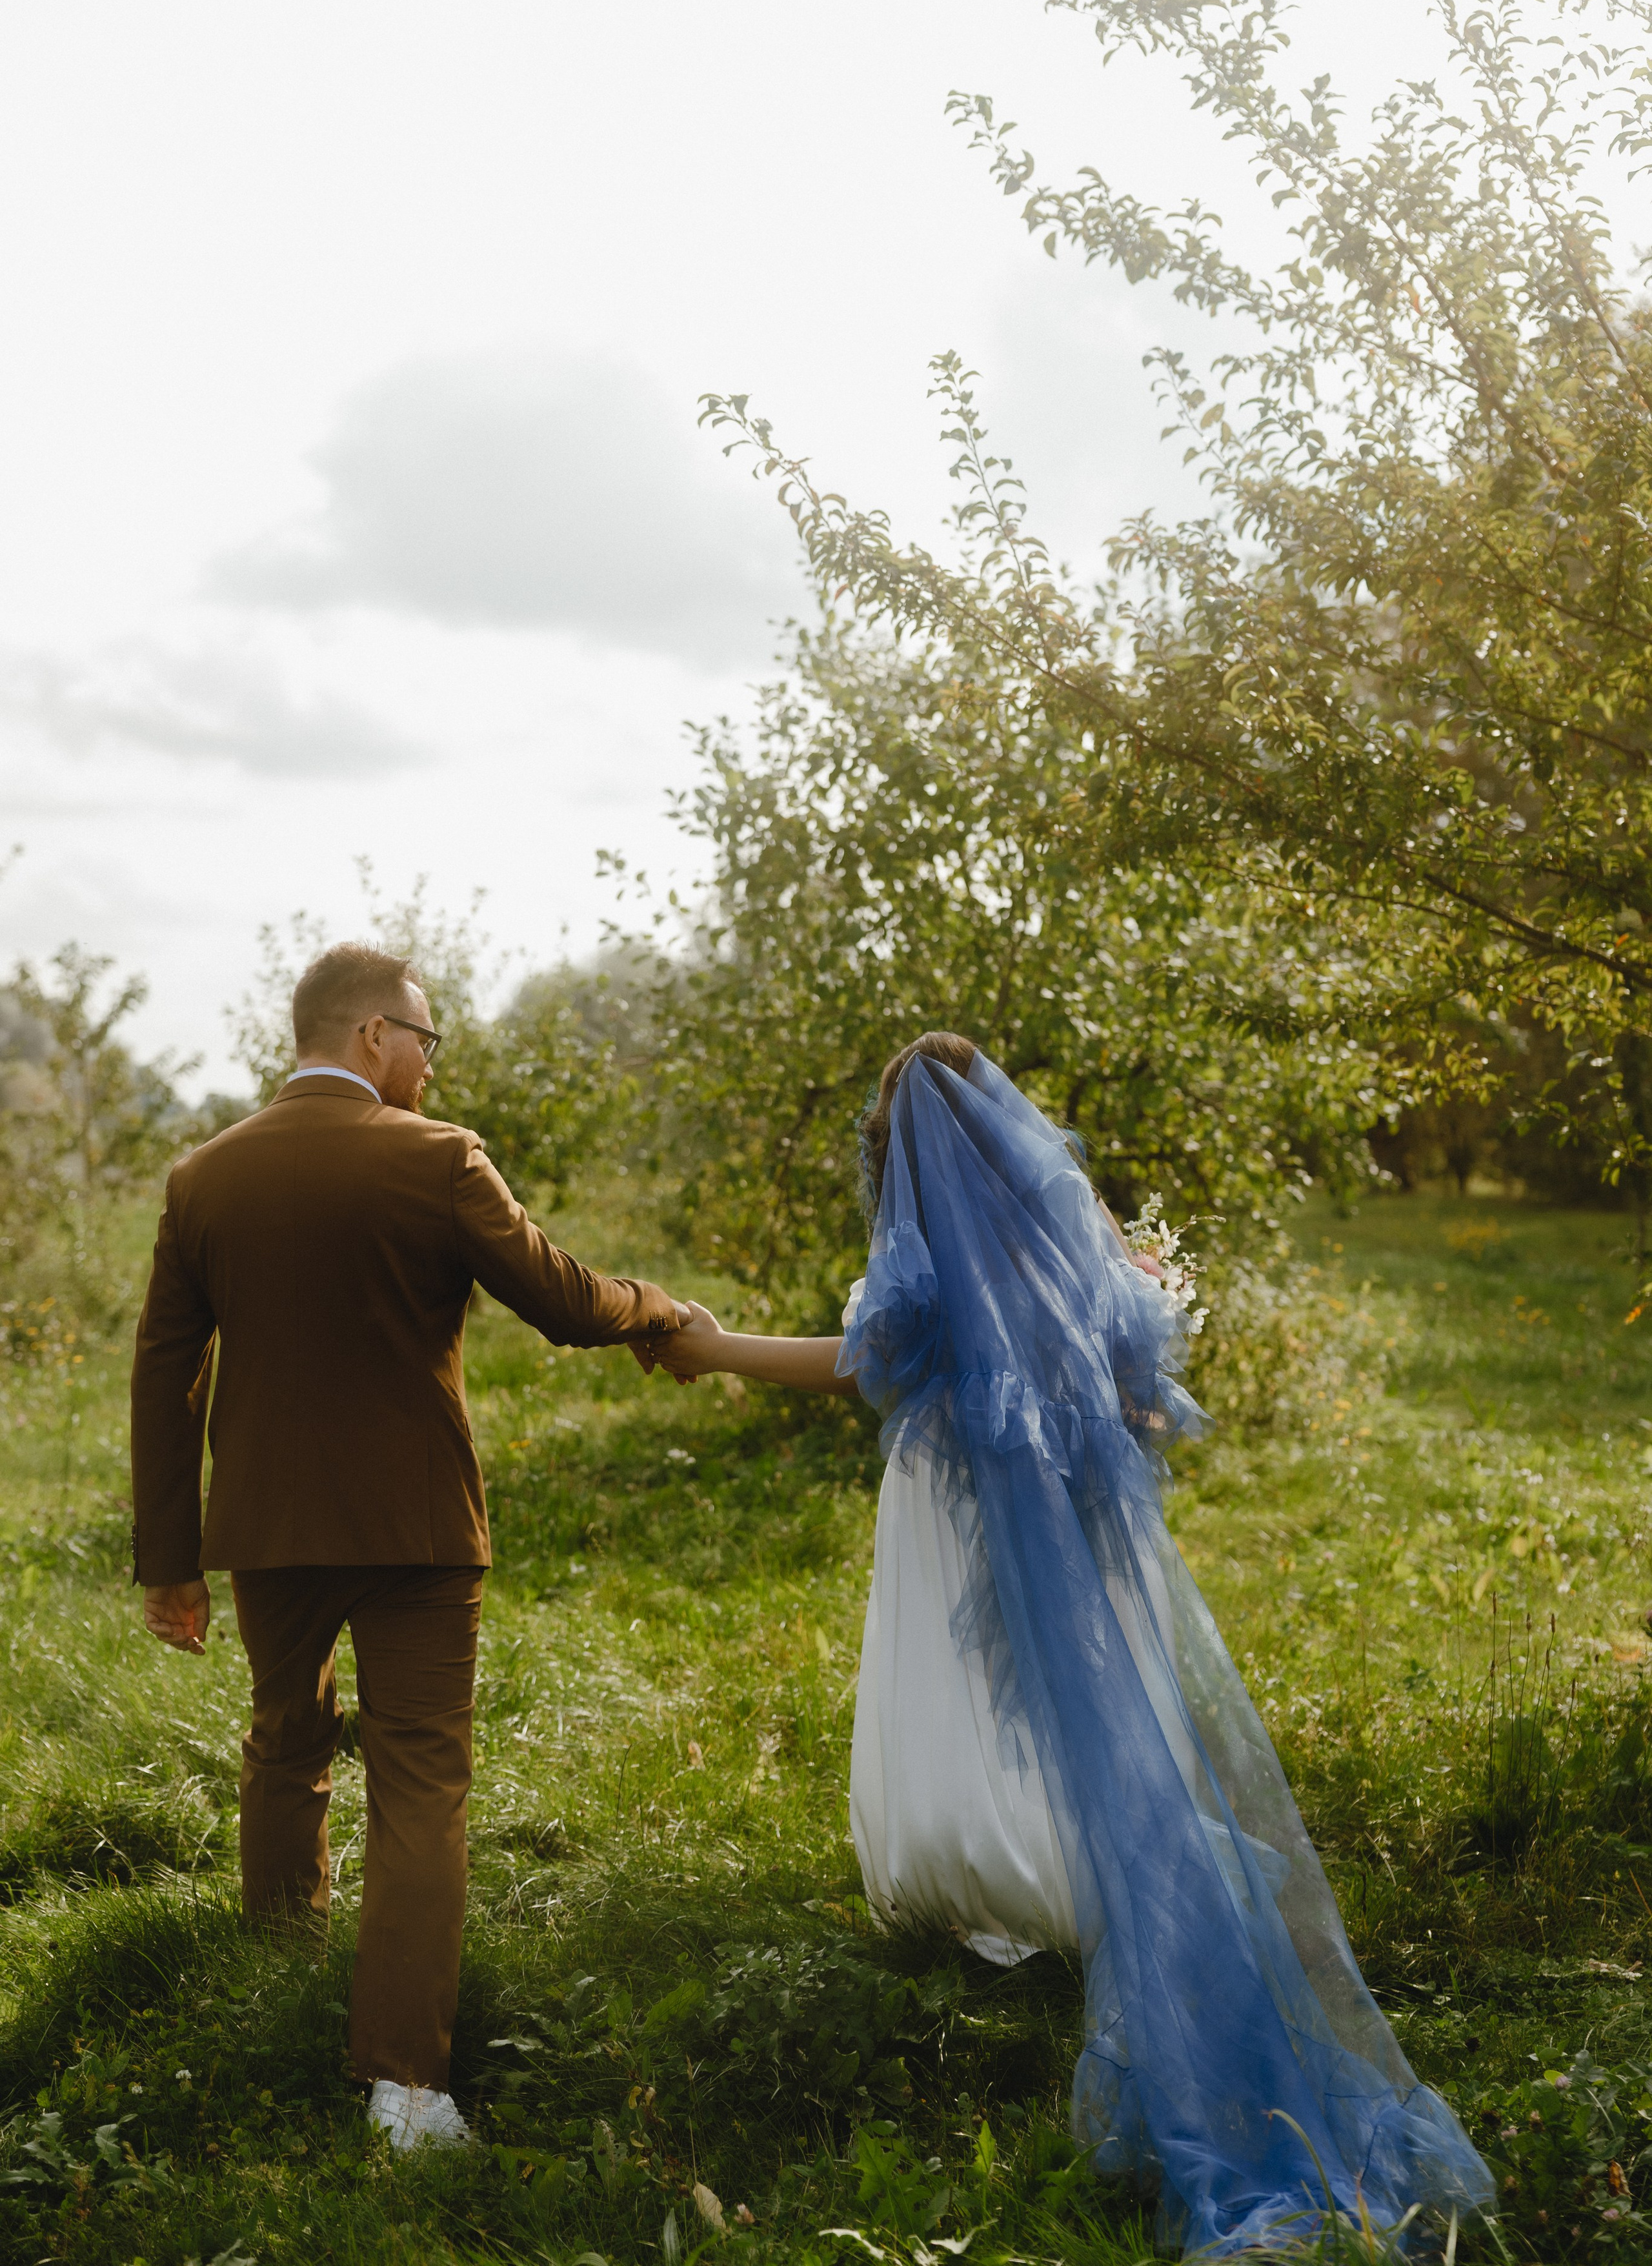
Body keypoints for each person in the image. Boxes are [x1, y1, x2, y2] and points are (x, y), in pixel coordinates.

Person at [650, 1033, 1494, 2254]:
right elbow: (1135, 1373)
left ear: (900, 1143)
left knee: (973, 1694)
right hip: (1077, 1512)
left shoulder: (922, 1246)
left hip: (954, 1506)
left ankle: (1015, 1879)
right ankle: (1081, 1866)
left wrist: (717, 1347)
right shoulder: (1070, 1234)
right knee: (1088, 1697)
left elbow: (863, 1362)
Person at [130, 941, 690, 2152]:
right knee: (422, 1785)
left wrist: (168, 1560)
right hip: (419, 1530)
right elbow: (565, 1301)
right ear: (372, 1034)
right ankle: (404, 2086)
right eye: (425, 1041)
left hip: (267, 1534)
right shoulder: (441, 1160)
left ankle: (280, 1979)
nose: (431, 1066)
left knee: (285, 1746)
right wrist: (660, 1309)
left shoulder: (201, 1179)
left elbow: (165, 1374)